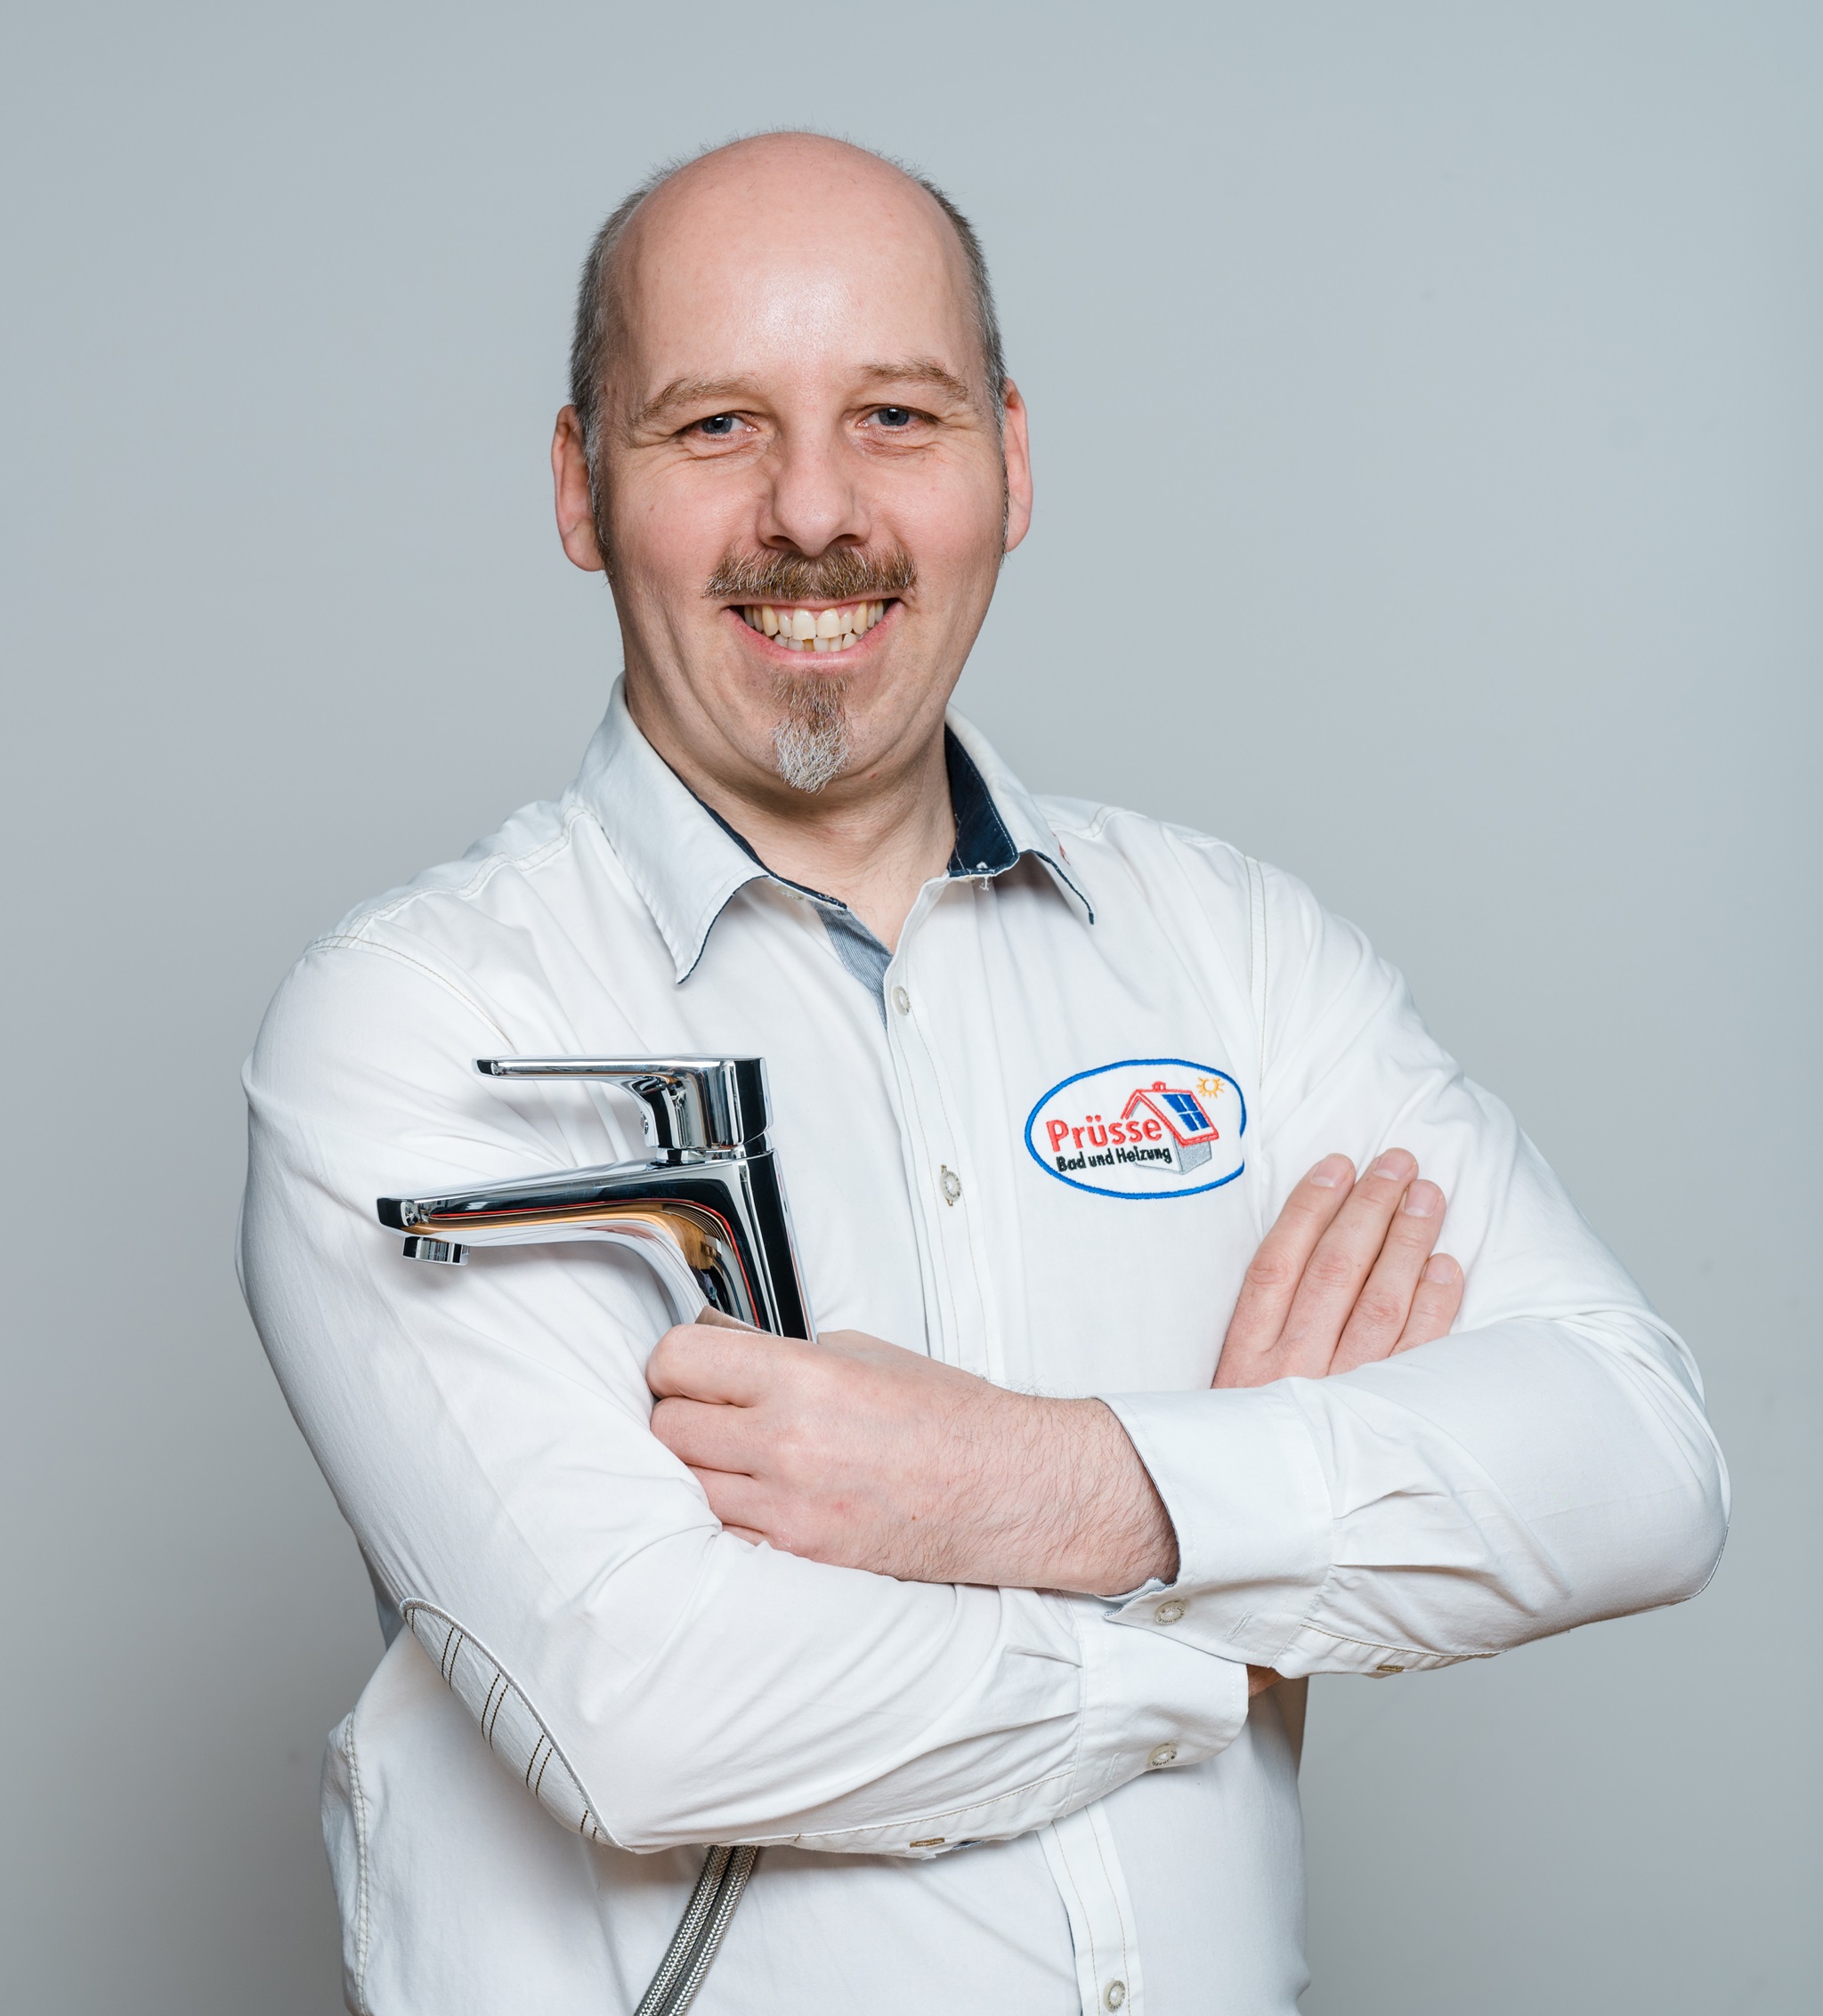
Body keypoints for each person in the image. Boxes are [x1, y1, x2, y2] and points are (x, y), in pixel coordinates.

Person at [239, 132, 1728, 2016]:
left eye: (896, 415)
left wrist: (1043, 1484)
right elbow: (652, 1706)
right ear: (578, 484)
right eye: (715, 425)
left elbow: (1636, 1461)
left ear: (1009, 464)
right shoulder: (419, 1021)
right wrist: (1227, 1608)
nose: (812, 510)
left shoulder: (1232, 955)